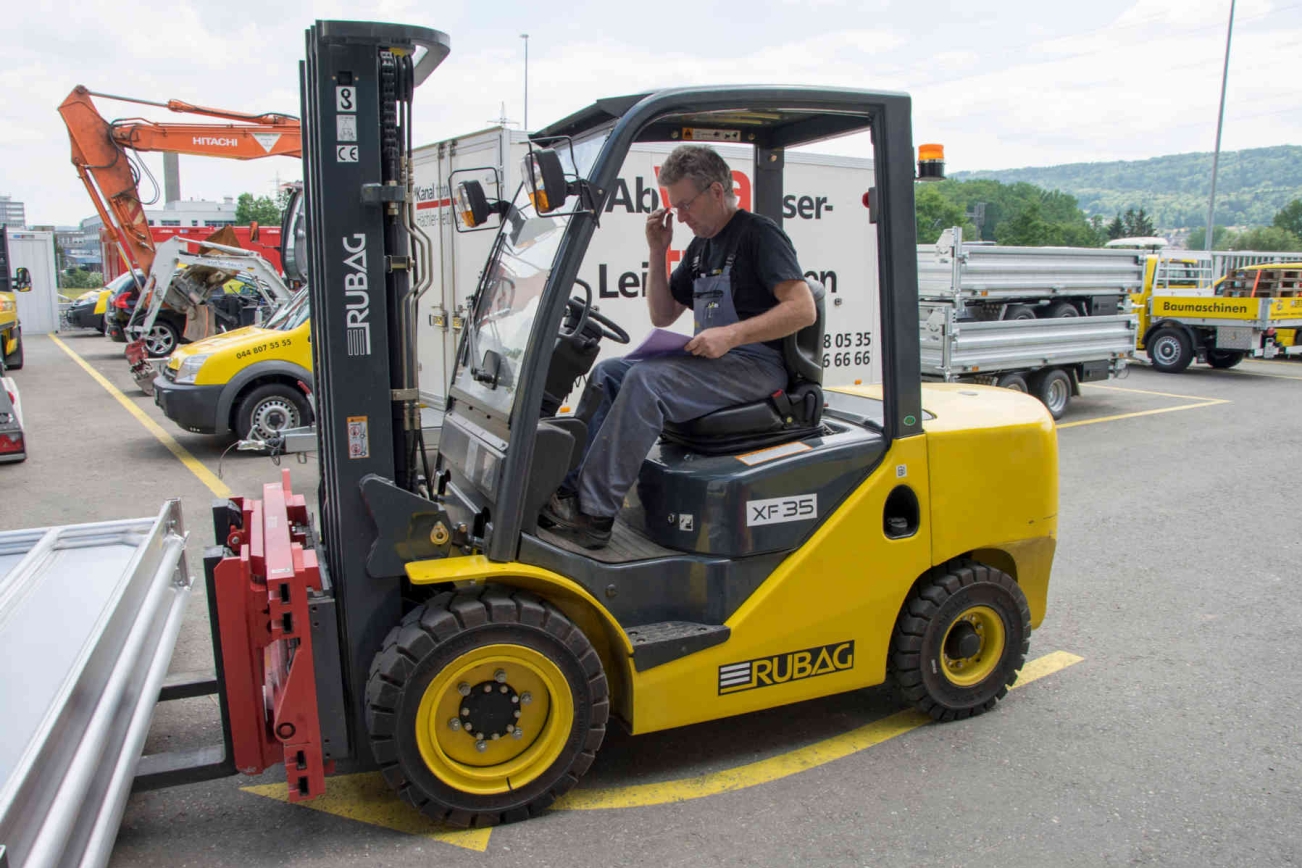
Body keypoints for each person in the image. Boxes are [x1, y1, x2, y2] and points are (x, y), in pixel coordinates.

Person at [541, 144, 816, 549]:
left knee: (647, 382)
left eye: (685, 205)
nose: (681, 216)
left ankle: (593, 515)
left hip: (755, 364)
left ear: (717, 192)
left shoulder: (758, 235)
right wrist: (657, 249)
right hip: (716, 363)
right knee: (610, 372)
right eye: (676, 208)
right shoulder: (701, 247)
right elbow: (663, 315)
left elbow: (803, 309)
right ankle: (567, 489)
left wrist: (732, 334)